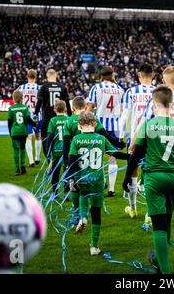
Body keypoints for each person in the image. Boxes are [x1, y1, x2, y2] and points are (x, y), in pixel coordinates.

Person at [123, 85, 174, 274]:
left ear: (154, 103)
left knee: (158, 226)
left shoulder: (148, 125)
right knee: (166, 220)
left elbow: (136, 155)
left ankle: (165, 272)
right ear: (171, 104)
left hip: (154, 178)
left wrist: (126, 178)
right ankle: (157, 258)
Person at [67, 111, 127, 255]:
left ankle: (82, 217)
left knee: (83, 194)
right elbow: (114, 153)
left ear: (79, 125)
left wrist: (71, 179)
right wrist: (131, 157)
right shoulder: (100, 138)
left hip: (82, 178)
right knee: (96, 212)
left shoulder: (76, 139)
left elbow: (71, 160)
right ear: (94, 124)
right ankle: (94, 246)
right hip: (98, 180)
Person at [63, 96, 123, 223]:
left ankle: (77, 215)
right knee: (92, 181)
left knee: (75, 186)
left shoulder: (68, 121)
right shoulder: (92, 118)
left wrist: (67, 163)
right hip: (94, 158)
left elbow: (66, 143)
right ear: (85, 106)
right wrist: (118, 144)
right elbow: (104, 135)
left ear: (73, 108)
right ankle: (91, 208)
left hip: (76, 158)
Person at [119, 63, 155, 219]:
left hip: (135, 136)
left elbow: (125, 115)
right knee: (150, 173)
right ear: (152, 75)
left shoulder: (131, 92)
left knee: (133, 171)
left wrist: (121, 135)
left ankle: (133, 209)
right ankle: (149, 214)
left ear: (139, 75)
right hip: (153, 138)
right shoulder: (158, 92)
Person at [87, 66, 125, 197]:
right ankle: (112, 189)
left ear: (101, 76)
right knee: (113, 157)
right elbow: (123, 111)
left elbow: (89, 108)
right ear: (112, 74)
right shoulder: (120, 89)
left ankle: (99, 184)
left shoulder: (96, 88)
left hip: (99, 126)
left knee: (95, 154)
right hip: (115, 126)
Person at [35, 69, 72, 159]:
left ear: (47, 76)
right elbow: (67, 102)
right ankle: (63, 160)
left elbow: (39, 101)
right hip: (61, 118)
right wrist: (70, 115)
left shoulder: (43, 87)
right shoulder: (62, 87)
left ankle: (49, 161)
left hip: (47, 118)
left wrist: (35, 113)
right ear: (56, 76)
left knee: (45, 139)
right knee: (63, 138)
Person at [7, 90, 37, 176]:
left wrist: (10, 132)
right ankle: (23, 166)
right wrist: (34, 124)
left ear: (13, 98)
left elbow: (9, 122)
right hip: (23, 131)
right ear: (22, 98)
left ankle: (17, 169)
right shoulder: (25, 107)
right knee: (23, 149)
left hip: (15, 132)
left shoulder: (11, 108)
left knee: (16, 150)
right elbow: (28, 119)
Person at [17, 69, 42, 167]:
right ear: (35, 77)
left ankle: (31, 161)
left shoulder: (21, 87)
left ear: (27, 76)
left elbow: (16, 98)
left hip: (26, 114)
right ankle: (37, 158)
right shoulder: (39, 88)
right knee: (38, 135)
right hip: (37, 115)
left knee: (28, 136)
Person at [46, 100, 69, 194]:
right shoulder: (69, 119)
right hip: (67, 150)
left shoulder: (53, 120)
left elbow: (49, 137)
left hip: (56, 150)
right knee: (66, 171)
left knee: (55, 172)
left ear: (54, 109)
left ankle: (54, 192)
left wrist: (48, 152)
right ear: (66, 108)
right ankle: (66, 193)